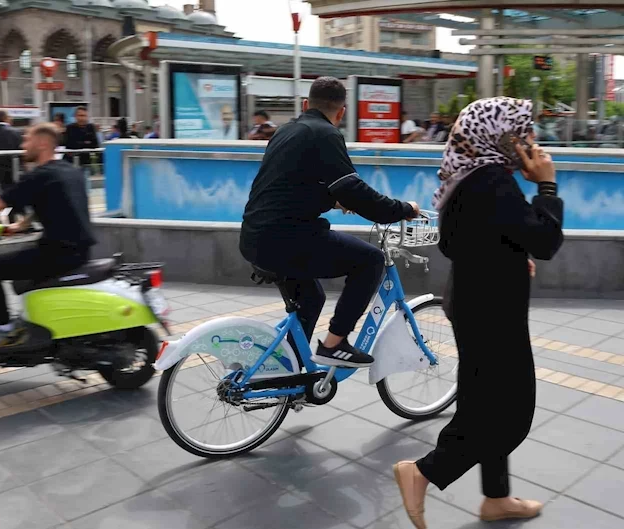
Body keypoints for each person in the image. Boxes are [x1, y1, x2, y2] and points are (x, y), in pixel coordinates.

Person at [393, 97, 564, 529]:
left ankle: (496, 498)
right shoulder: (492, 181)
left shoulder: (469, 175)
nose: (531, 139)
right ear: (498, 135)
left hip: (474, 300)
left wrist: (511, 254)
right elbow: (545, 241)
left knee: (482, 402)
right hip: (492, 310)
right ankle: (424, 471)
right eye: (522, 130)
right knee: (511, 411)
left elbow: (469, 239)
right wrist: (546, 187)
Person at [240, 77, 419, 367]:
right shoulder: (325, 134)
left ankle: (288, 368)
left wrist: (332, 201)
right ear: (342, 112)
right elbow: (353, 189)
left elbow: (289, 187)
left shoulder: (287, 130)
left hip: (255, 236)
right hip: (286, 239)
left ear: (305, 105)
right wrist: (401, 209)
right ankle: (334, 345)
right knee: (370, 261)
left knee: (311, 300)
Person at [0, 123, 95, 353]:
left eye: (27, 139)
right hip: (79, 250)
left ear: (42, 144)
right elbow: (56, 202)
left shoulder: (40, 175)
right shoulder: (68, 170)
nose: (23, 145)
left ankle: (4, 328)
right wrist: (21, 225)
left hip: (59, 253)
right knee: (17, 268)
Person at [0, 110, 23, 221]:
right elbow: (21, 150)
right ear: (5, 118)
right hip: (12, 168)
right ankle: (14, 217)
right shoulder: (15, 132)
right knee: (15, 193)